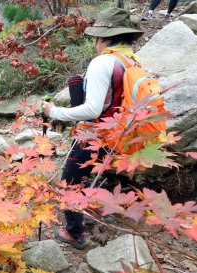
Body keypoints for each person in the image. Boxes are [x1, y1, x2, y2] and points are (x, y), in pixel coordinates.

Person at [41, 8, 144, 249]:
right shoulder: (132, 60)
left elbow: (92, 109)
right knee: (88, 175)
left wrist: (54, 112)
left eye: (96, 37)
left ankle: (74, 232)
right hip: (117, 135)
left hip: (93, 134)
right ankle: (92, 211)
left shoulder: (104, 62)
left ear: (105, 37)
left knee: (71, 181)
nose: (95, 43)